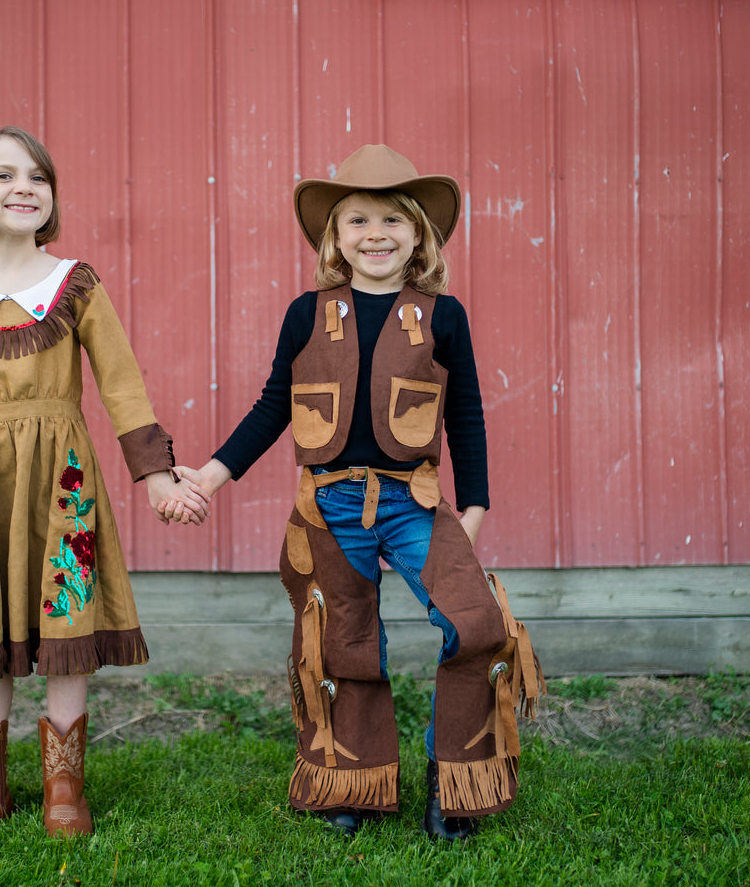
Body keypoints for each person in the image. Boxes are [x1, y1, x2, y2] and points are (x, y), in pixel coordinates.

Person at [175, 144, 544, 841]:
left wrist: (474, 508)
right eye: (356, 221)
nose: (374, 235)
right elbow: (271, 406)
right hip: (330, 503)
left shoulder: (442, 315)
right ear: (334, 238)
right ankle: (352, 783)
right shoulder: (305, 314)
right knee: (341, 641)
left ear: (417, 234)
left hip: (415, 501)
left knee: (477, 625)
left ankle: (455, 784)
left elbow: (464, 412)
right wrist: (212, 473)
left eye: (391, 220)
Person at [0, 126, 209, 840]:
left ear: (52, 195)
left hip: (60, 482)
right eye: (3, 175)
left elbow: (121, 385)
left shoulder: (74, 285)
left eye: (37, 176)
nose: (23, 187)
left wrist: (155, 476)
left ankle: (65, 789)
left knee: (65, 621)